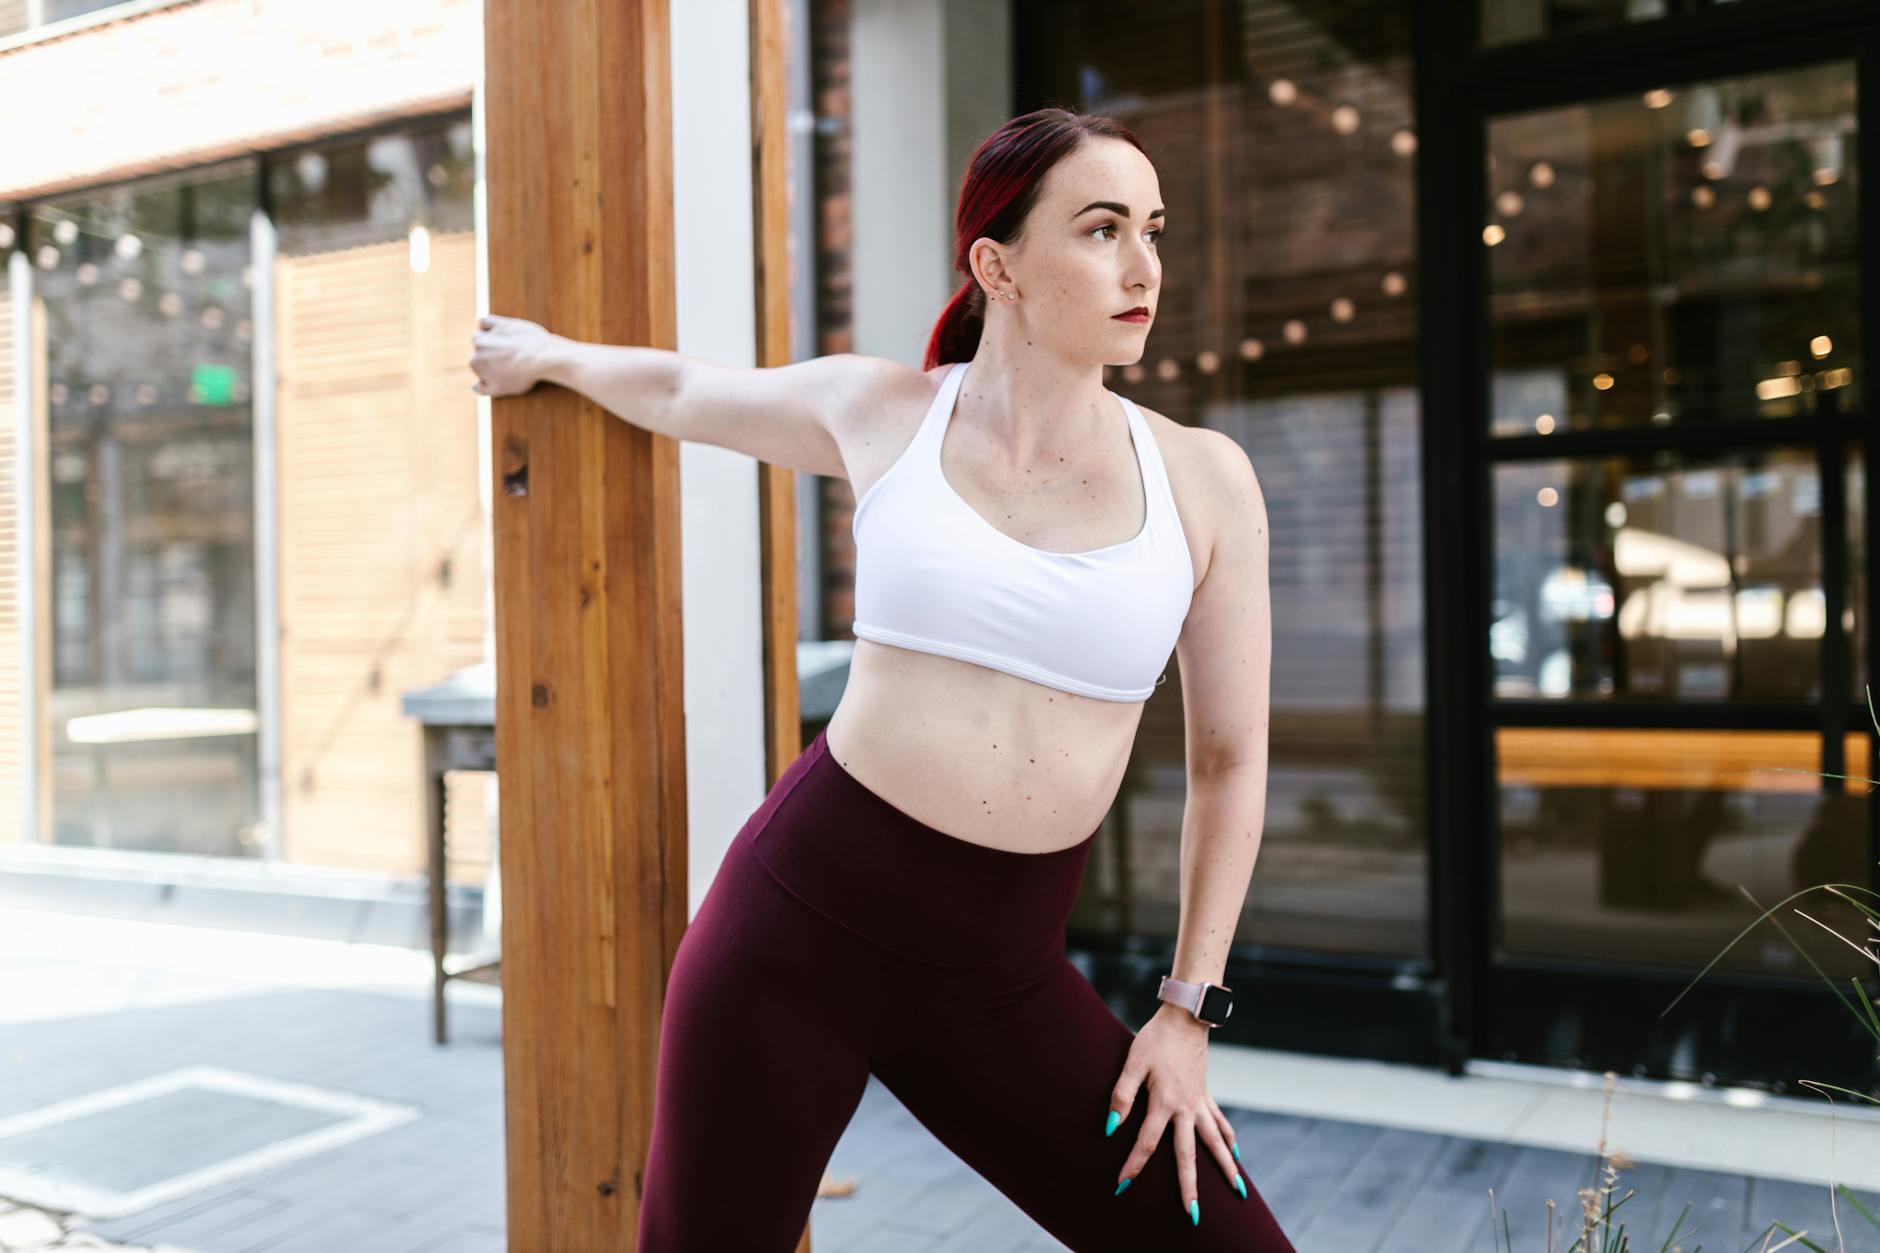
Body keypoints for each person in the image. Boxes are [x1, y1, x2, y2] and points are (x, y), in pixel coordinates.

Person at [468, 106, 1288, 1252]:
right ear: (995, 263)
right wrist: (547, 357)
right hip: (792, 929)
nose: (1144, 266)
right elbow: (682, 394)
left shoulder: (1206, 482)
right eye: (1102, 229)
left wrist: (1184, 1008)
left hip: (999, 973)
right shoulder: (884, 413)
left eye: (1153, 229)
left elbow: (1228, 757)